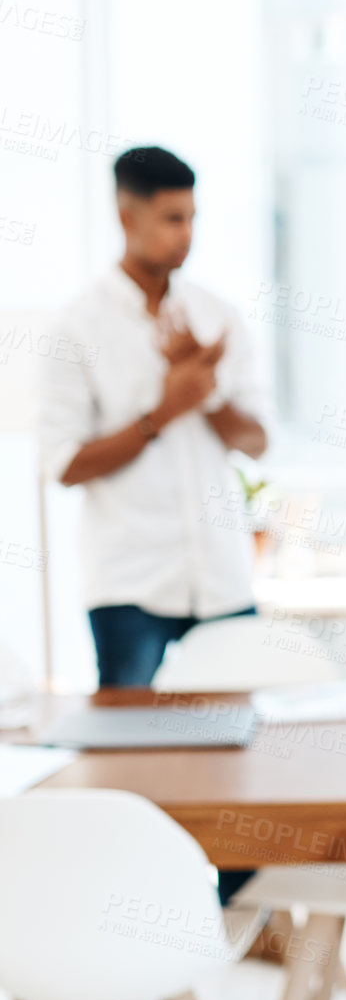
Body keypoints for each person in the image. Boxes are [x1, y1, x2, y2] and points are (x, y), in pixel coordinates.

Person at [40, 146, 269, 690]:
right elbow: (64, 465)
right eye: (172, 219)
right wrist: (163, 412)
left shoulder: (218, 317)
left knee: (239, 752)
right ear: (127, 216)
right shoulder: (77, 327)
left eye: (192, 218)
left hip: (222, 581)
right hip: (130, 587)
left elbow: (258, 443)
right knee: (131, 753)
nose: (186, 234)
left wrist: (205, 392)